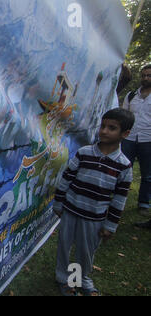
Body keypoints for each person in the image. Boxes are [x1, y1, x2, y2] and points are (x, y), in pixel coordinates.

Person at [53, 108, 135, 296]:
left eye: (112, 128)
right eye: (103, 126)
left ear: (125, 134)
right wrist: (58, 203)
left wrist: (110, 225)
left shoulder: (124, 165)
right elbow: (66, 179)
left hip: (94, 218)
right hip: (71, 211)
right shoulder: (84, 153)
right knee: (65, 246)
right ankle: (64, 279)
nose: (104, 131)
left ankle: (81, 278)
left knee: (85, 250)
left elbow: (119, 199)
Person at [121, 64, 151, 216]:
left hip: (148, 140)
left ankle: (144, 203)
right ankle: (118, 197)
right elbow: (123, 116)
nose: (146, 78)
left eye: (149, 75)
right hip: (129, 138)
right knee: (123, 169)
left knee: (148, 174)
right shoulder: (131, 96)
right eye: (144, 75)